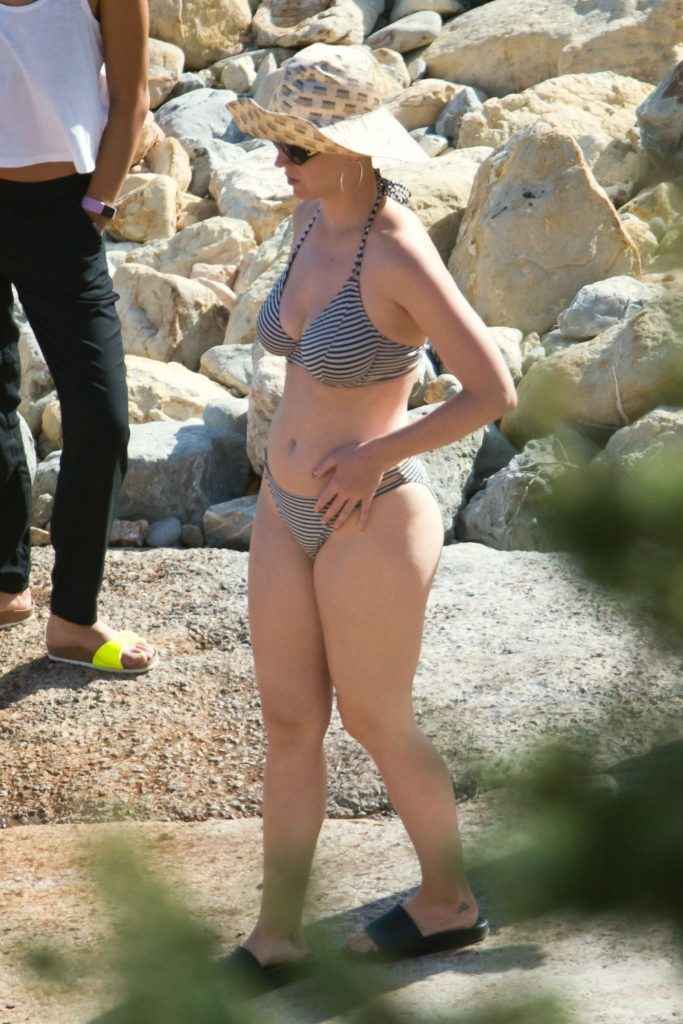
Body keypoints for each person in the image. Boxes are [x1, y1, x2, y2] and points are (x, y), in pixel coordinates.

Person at [223, 44, 517, 977]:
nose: (280, 162)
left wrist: (375, 455)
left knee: (375, 720)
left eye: (296, 148)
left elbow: (492, 391)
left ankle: (447, 901)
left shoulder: (396, 250)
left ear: (350, 149)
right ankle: (275, 933)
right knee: (288, 722)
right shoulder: (310, 219)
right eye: (279, 144)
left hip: (373, 513)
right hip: (285, 506)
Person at [0, 0, 155, 673]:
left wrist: (100, 202)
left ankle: (73, 619)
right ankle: (5, 583)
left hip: (65, 210)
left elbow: (131, 97)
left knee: (101, 417)